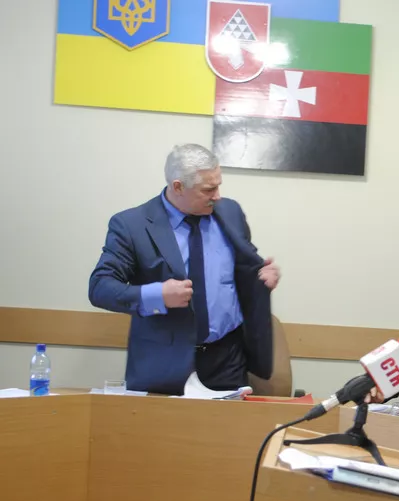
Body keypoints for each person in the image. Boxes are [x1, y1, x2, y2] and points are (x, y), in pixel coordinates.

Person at [88, 144, 280, 395]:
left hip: (227, 359)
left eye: (218, 185)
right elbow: (100, 287)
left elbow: (244, 267)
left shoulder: (230, 212)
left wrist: (262, 277)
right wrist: (158, 295)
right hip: (164, 362)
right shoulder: (131, 225)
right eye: (208, 189)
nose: (217, 196)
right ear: (178, 187)